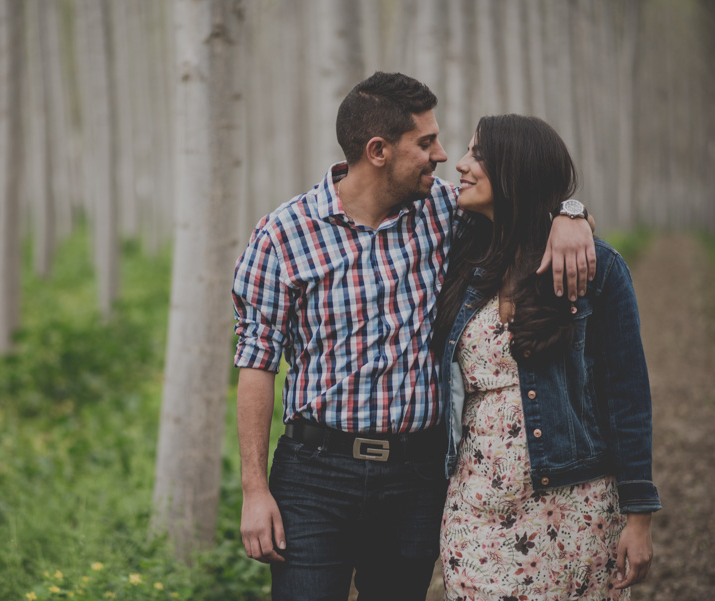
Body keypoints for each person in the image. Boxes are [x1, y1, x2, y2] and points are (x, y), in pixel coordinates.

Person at [232, 72, 595, 601]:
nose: (442, 155)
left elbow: (521, 203)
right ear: (378, 150)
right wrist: (254, 489)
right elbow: (256, 364)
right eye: (425, 143)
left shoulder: (446, 212)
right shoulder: (282, 236)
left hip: (416, 478)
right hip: (314, 478)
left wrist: (570, 213)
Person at [433, 114, 660, 601]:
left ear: (517, 171)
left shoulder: (596, 269)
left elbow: (628, 397)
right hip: (475, 506)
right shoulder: (460, 256)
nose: (462, 164)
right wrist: (573, 210)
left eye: (478, 155)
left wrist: (638, 517)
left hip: (572, 504)